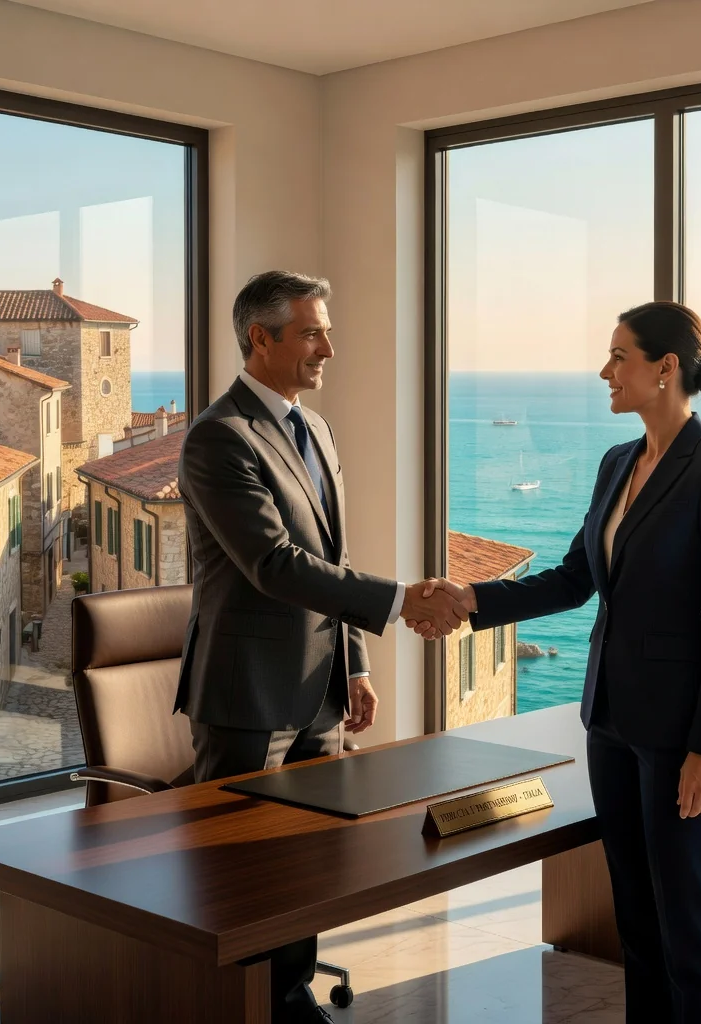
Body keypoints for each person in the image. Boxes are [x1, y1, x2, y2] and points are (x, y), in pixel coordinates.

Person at [421, 302, 701, 1024]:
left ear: (666, 368)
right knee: (636, 923)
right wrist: (469, 598)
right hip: (609, 722)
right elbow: (575, 580)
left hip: (681, 739)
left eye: (619, 356)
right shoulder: (617, 463)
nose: (605, 371)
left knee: (689, 931)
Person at [176, 270, 467, 1024]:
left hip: (320, 693)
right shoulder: (219, 437)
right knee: (244, 874)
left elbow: (331, 561)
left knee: (308, 863)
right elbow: (274, 564)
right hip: (247, 697)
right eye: (310, 332)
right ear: (260, 338)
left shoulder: (317, 429)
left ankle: (290, 995)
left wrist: (356, 664)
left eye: (324, 330)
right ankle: (240, 1006)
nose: (327, 348)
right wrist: (404, 601)